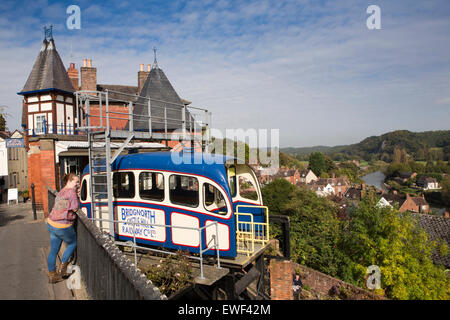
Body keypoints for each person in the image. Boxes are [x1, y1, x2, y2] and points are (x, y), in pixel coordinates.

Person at [46, 173, 80, 283]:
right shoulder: (71, 192)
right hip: (62, 226)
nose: (78, 184)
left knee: (53, 251)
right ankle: (63, 269)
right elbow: (75, 208)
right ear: (70, 181)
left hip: (51, 223)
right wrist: (77, 196)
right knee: (72, 243)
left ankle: (52, 276)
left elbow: (61, 208)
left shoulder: (62, 191)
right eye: (76, 182)